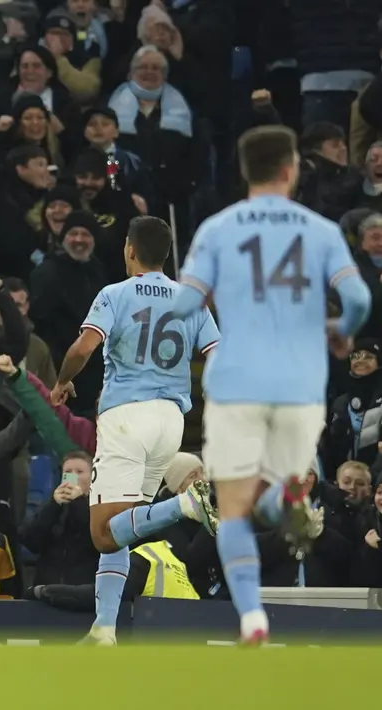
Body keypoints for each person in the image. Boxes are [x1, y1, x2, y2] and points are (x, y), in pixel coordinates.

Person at [173, 125, 373, 645]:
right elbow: (357, 301)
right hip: (297, 378)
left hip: (238, 377)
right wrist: (339, 332)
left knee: (234, 506)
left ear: (244, 171)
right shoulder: (320, 229)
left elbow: (185, 306)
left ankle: (251, 614)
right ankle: (286, 500)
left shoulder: (217, 229)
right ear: (290, 170)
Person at [49, 216, 219, 646]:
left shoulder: (114, 294)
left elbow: (84, 346)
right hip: (171, 420)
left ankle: (185, 505)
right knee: (125, 526)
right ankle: (104, 627)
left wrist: (62, 380)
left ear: (129, 249)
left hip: (127, 416)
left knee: (103, 533)